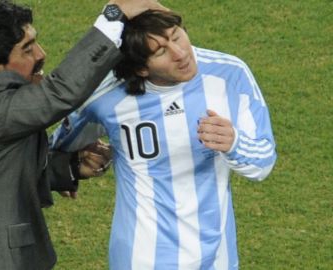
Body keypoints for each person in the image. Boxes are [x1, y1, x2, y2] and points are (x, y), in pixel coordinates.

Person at [0, 1, 167, 269]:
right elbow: (59, 93)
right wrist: (114, 15)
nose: (40, 54)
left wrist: (67, 168)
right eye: (27, 49)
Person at [51, 9, 277, 270]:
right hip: (141, 258)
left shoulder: (229, 74)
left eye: (177, 36)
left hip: (218, 259)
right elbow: (56, 148)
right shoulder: (106, 95)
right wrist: (69, 167)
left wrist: (234, 143)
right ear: (141, 69)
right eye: (160, 52)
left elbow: (263, 162)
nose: (180, 53)